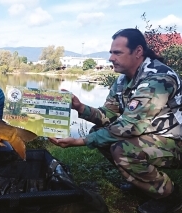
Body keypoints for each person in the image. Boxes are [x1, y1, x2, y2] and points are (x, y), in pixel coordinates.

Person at [49, 28, 182, 213]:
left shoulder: (158, 79)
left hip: (175, 141)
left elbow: (129, 126)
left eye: (117, 53)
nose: (111, 58)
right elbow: (108, 114)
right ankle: (142, 181)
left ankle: (170, 197)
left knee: (123, 149)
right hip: (151, 135)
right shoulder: (122, 80)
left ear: (138, 52)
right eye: (111, 52)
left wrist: (80, 141)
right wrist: (80, 107)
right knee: (98, 132)